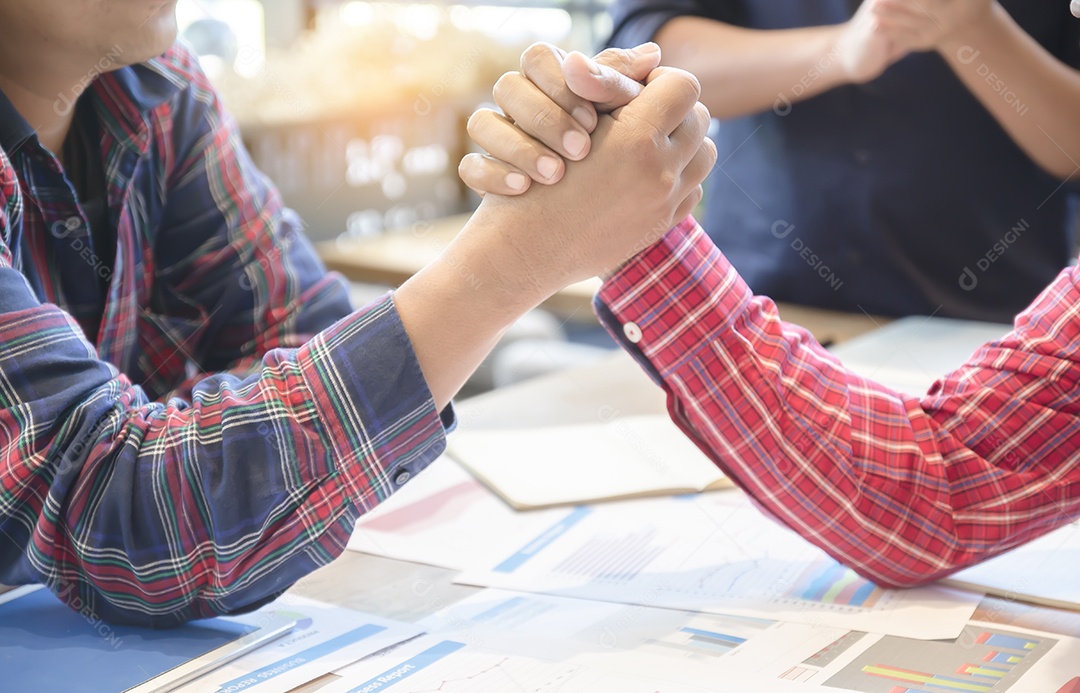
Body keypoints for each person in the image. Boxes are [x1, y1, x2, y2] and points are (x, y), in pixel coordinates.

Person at [0, 2, 714, 625]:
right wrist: (514, 257)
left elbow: (298, 335)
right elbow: (121, 516)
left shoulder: (157, 90)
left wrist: (561, 169)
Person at [468, 0, 1080, 589]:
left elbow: (931, 497)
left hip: (984, 318)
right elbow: (653, 51)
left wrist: (976, 30)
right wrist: (841, 51)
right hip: (773, 305)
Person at [597, 0, 1080, 323]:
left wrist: (974, 28)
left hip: (992, 327)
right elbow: (649, 61)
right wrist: (840, 52)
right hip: (755, 311)